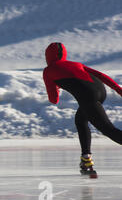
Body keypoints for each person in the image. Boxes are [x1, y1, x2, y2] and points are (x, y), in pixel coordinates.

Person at [43, 43, 122, 174]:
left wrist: (57, 85)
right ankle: (86, 160)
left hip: (88, 97)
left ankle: (86, 159)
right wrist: (119, 90)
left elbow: (53, 100)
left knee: (109, 130)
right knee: (80, 120)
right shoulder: (76, 64)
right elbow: (102, 76)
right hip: (101, 91)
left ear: (48, 56)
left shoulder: (48, 71)